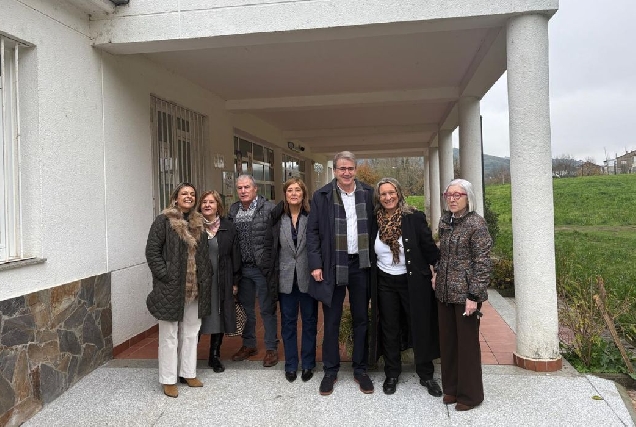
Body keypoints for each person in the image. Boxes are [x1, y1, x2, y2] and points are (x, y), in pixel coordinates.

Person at [307, 151, 375, 395]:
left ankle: (360, 369)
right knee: (332, 319)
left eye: (350, 168)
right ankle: (330, 370)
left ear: (355, 169)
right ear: (335, 171)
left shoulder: (368, 193)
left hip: (361, 265)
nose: (346, 173)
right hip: (332, 265)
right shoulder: (322, 195)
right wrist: (315, 264)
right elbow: (312, 232)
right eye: (342, 169)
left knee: (361, 318)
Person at [369, 177, 442, 396]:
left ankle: (426, 374)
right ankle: (392, 373)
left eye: (391, 192)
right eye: (383, 194)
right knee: (389, 327)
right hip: (384, 281)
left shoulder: (414, 217)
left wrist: (438, 271)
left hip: (413, 281)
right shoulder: (374, 220)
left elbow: (429, 249)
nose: (388, 197)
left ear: (399, 193)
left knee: (419, 325)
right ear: (378, 197)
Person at [145, 182, 213, 398]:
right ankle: (168, 379)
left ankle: (188, 373)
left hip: (195, 287)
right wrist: (165, 275)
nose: (189, 197)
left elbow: (203, 255)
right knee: (169, 334)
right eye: (184, 193)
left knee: (191, 332)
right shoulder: (163, 221)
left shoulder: (198, 223)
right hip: (170, 287)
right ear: (176, 198)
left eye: (192, 194)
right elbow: (152, 252)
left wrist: (205, 276)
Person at [434, 178, 493, 411]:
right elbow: (443, 254)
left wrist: (474, 296)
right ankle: (451, 388)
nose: (452, 199)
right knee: (448, 343)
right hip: (444, 292)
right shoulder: (445, 221)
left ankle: (470, 395)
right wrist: (437, 273)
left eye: (458, 195)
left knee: (467, 346)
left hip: (466, 295)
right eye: (449, 195)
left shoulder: (476, 224)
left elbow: (483, 263)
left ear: (468, 198)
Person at [228, 174, 278, 367]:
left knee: (267, 309)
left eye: (247, 187)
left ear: (255, 189)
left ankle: (271, 348)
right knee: (246, 309)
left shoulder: (269, 208)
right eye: (240, 188)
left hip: (262, 269)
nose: (243, 191)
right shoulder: (233, 209)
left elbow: (275, 239)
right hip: (242, 270)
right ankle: (249, 345)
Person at [271, 177, 318, 383]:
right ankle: (291, 364)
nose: (294, 194)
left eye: (297, 190)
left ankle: (308, 363)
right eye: (290, 190)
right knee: (288, 324)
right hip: (285, 279)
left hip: (308, 277)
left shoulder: (312, 217)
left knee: (309, 322)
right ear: (285, 194)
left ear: (303, 194)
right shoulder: (278, 219)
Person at [197, 190, 241, 373]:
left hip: (222, 279)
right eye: (204, 202)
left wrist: (235, 281)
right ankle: (188, 356)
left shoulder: (228, 227)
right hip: (199, 281)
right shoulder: (193, 226)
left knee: (219, 315)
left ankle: (214, 355)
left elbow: (235, 255)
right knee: (196, 317)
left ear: (218, 206)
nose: (207, 205)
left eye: (212, 202)